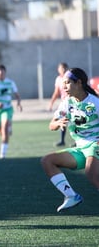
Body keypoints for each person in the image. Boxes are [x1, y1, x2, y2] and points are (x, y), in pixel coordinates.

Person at [41, 67, 99, 213]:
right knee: (47, 161)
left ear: (79, 83)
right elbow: (51, 125)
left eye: (67, 83)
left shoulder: (95, 102)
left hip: (95, 144)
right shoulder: (67, 103)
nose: (63, 86)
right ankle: (71, 196)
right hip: (80, 148)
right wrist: (58, 123)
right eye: (63, 83)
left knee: (91, 174)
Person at [48, 62, 69, 146]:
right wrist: (51, 103)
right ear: (58, 69)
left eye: (64, 68)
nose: (63, 70)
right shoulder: (58, 79)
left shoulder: (70, 78)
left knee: (77, 121)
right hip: (64, 104)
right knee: (62, 121)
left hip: (74, 103)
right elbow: (56, 92)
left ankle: (77, 141)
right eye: (61, 68)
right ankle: (62, 140)